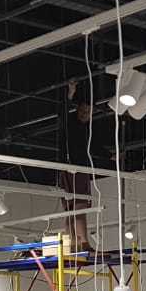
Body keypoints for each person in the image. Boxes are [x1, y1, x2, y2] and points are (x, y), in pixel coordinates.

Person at [57, 78, 94, 252]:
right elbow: (62, 113)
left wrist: (111, 155)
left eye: (89, 112)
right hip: (74, 168)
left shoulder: (85, 129)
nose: (86, 114)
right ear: (78, 109)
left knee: (72, 208)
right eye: (84, 111)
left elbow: (93, 146)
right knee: (78, 206)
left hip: (71, 168)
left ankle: (73, 244)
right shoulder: (71, 123)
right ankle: (82, 243)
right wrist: (70, 94)